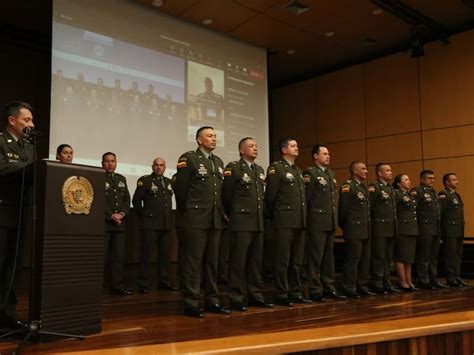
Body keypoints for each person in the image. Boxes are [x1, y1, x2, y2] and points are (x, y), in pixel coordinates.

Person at [174, 126, 228, 318]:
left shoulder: (219, 162)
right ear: (199, 140)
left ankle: (212, 300)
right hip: (195, 219)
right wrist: (188, 212)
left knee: (212, 263)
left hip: (215, 219)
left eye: (215, 136)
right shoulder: (188, 159)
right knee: (193, 263)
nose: (214, 139)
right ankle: (191, 302)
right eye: (209, 136)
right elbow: (180, 190)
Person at [222, 137, 273, 311]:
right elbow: (227, 196)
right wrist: (232, 215)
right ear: (242, 150)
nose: (255, 148)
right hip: (241, 222)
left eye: (256, 146)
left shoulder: (258, 170)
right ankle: (236, 296)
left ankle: (255, 294)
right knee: (238, 262)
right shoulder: (234, 168)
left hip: (257, 222)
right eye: (251, 146)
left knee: (255, 262)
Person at [0, 101, 35, 329]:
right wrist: (28, 169)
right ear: (12, 121)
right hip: (2, 212)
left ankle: (7, 315)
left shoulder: (28, 146)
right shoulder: (1, 141)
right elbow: (2, 168)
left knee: (12, 267)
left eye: (32, 120)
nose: (32, 124)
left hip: (20, 213)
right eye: (27, 120)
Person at [265, 137, 309, 306]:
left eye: (297, 145)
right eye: (293, 146)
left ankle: (295, 291)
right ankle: (282, 293)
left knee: (297, 261)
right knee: (283, 259)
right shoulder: (277, 169)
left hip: (299, 221)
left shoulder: (297, 170)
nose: (297, 148)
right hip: (284, 221)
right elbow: (270, 197)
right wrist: (277, 216)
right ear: (284, 150)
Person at [303, 145, 346, 302]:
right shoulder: (310, 173)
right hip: (316, 221)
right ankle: (315, 289)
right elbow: (307, 199)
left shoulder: (330, 174)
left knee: (329, 257)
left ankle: (329, 286)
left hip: (329, 221)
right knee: (315, 257)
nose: (328, 156)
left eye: (329, 153)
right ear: (315, 156)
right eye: (325, 153)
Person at [132, 157, 177, 294]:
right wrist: (145, 216)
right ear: (152, 167)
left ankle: (163, 282)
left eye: (161, 165)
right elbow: (136, 201)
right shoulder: (145, 181)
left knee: (164, 256)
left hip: (166, 224)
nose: (159, 167)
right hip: (150, 224)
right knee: (146, 255)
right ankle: (143, 283)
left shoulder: (169, 182)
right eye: (156, 165)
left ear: (165, 167)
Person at [338, 161, 373, 298]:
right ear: (354, 171)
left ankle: (362, 285)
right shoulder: (348, 186)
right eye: (363, 169)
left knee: (365, 260)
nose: (366, 171)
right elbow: (343, 210)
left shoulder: (363, 188)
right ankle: (349, 287)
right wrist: (347, 226)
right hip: (353, 229)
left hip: (365, 229)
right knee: (353, 260)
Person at [102, 152, 132, 296]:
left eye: (113, 161)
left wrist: (121, 214)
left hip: (120, 225)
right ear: (102, 163)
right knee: (102, 257)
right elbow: (96, 200)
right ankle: (99, 287)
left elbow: (127, 200)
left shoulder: (121, 179)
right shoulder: (98, 176)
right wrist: (110, 216)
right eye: (107, 161)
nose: (110, 164)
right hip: (105, 224)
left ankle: (117, 286)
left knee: (118, 257)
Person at [412, 170, 446, 290]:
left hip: (435, 228)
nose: (432, 180)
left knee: (433, 256)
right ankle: (423, 280)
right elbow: (413, 210)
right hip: (424, 228)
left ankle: (433, 279)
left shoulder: (433, 192)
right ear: (422, 179)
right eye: (429, 178)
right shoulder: (418, 191)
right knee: (423, 256)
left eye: (433, 178)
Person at [368, 163, 399, 294]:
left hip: (391, 228)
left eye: (391, 170)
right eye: (387, 170)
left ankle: (387, 282)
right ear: (380, 173)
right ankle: (377, 283)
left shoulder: (390, 188)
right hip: (379, 227)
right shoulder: (374, 187)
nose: (390, 173)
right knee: (379, 257)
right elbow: (370, 208)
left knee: (388, 257)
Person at [438, 173, 468, 287]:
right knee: (450, 255)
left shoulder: (455, 195)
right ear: (447, 182)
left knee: (457, 254)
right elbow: (441, 214)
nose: (457, 181)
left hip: (458, 229)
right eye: (454, 180)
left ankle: (457, 276)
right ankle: (451, 277)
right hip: (449, 230)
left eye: (456, 179)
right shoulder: (444, 195)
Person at [392, 174, 419, 291]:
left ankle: (409, 280)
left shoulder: (410, 195)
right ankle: (402, 281)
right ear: (399, 183)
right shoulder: (396, 194)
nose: (409, 181)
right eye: (406, 180)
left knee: (409, 257)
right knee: (400, 256)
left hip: (411, 229)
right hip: (402, 229)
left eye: (409, 179)